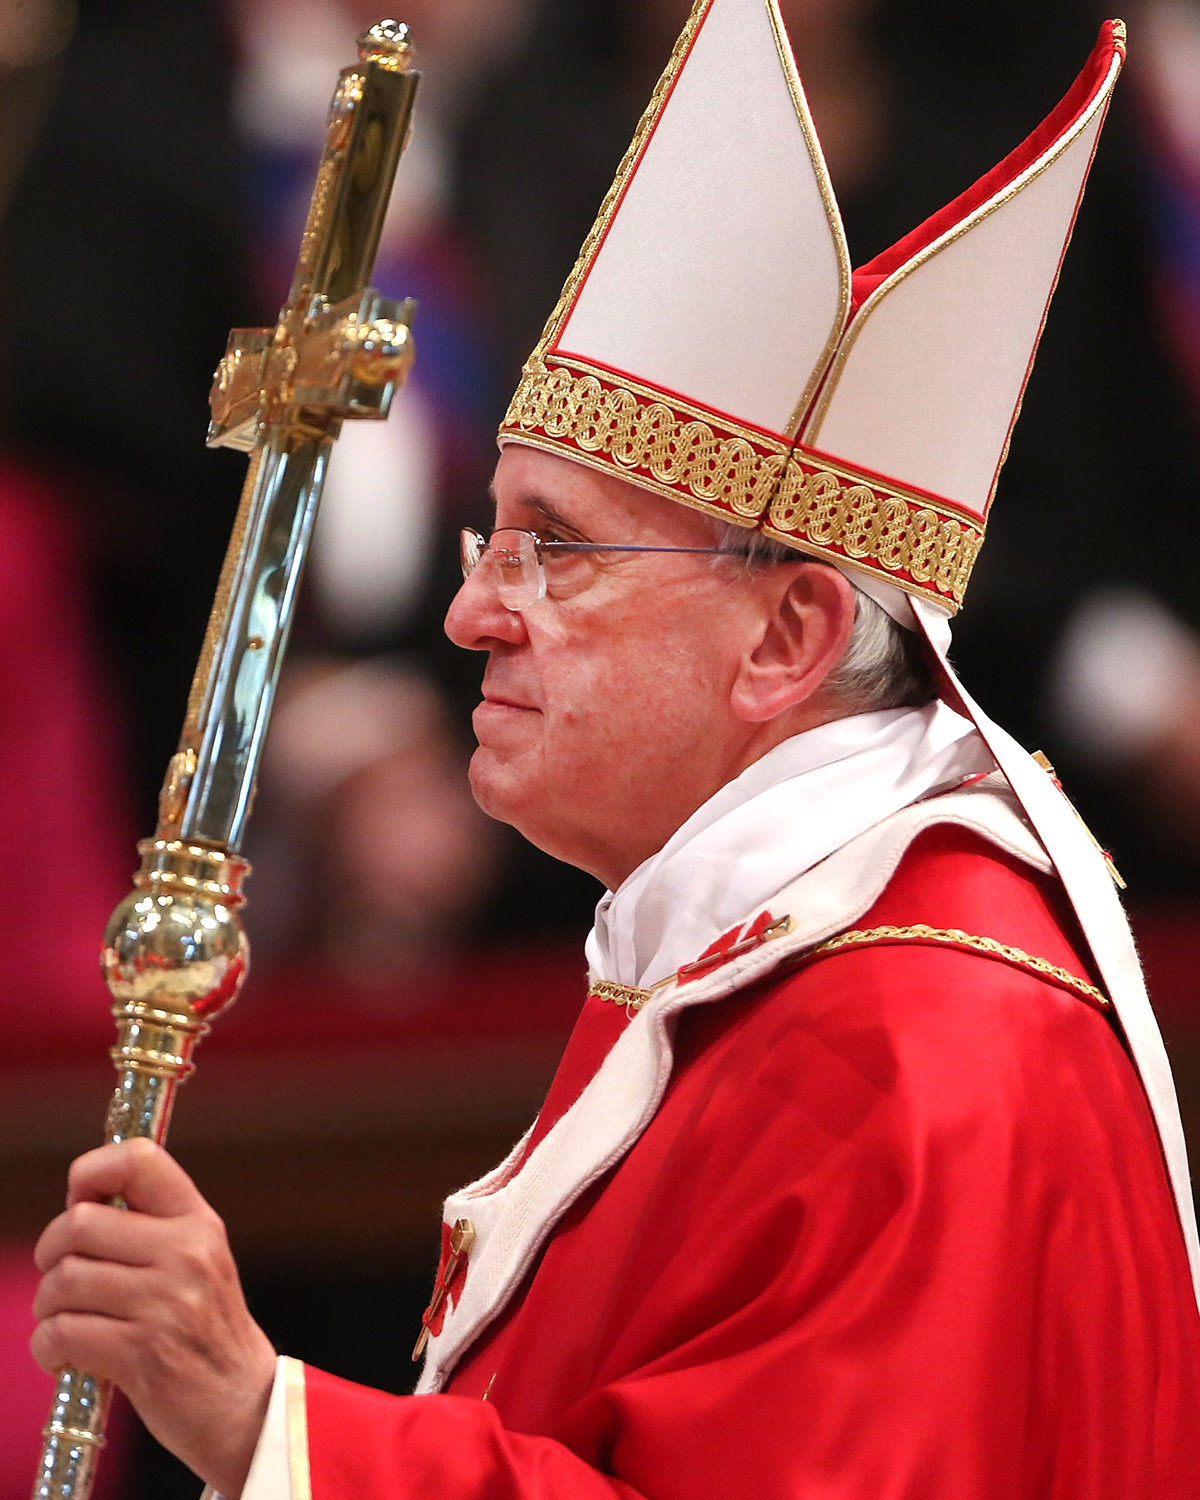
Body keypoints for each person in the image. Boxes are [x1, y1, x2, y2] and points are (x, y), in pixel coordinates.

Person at [30, 2, 1200, 1496]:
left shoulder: (924, 1043)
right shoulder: (766, 955)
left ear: (786, 639)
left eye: (553, 552)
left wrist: (271, 1423)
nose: (468, 614)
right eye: (488, 536)